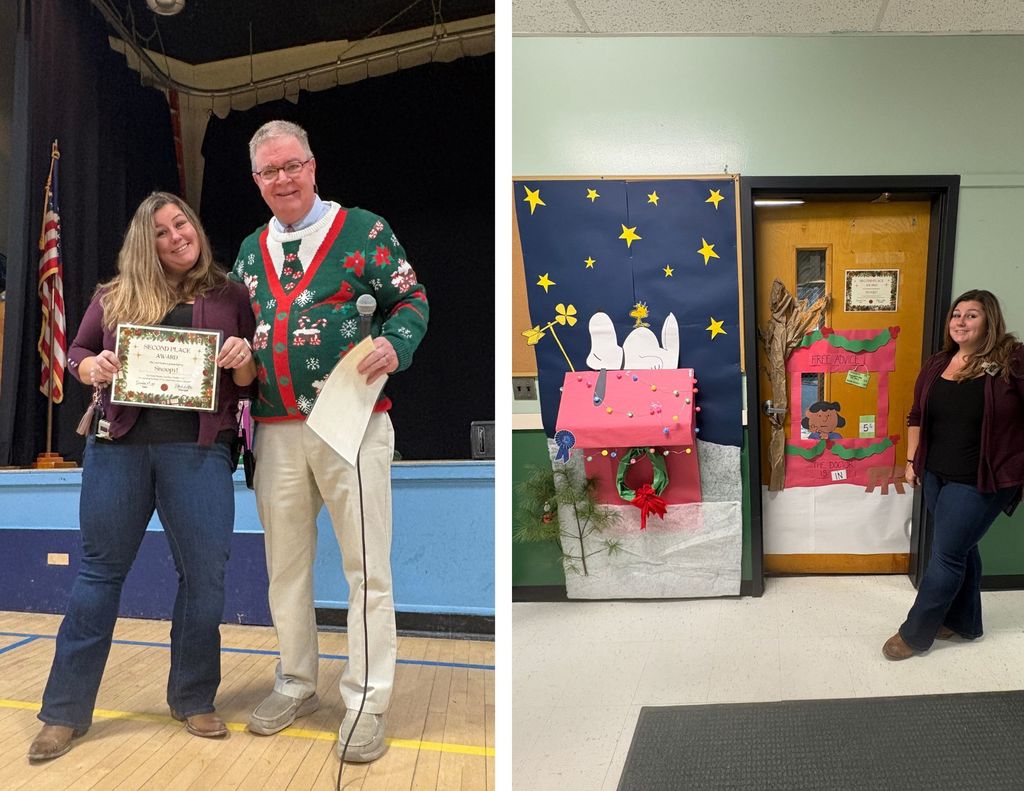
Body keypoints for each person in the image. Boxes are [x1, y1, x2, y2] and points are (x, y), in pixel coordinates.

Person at [28, 192, 257, 760]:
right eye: (161, 231)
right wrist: (89, 365)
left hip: (200, 455)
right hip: (118, 452)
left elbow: (251, 379)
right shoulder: (113, 295)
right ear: (144, 242)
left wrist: (242, 357)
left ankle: (194, 697)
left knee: (204, 579)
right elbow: (77, 351)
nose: (177, 235)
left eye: (182, 223)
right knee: (99, 576)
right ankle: (64, 712)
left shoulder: (230, 293)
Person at [233, 120, 428, 762]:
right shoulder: (246, 251)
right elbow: (240, 330)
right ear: (257, 181)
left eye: (292, 166)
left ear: (313, 166)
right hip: (275, 431)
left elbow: (411, 300)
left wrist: (394, 346)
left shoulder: (364, 231)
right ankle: (295, 682)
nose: (283, 179)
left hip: (352, 422)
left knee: (367, 569)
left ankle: (367, 699)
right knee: (284, 569)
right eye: (269, 172)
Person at [883, 289, 1024, 660]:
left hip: (982, 479)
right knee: (961, 547)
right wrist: (913, 463)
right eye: (956, 314)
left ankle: (916, 634)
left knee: (945, 554)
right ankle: (963, 622)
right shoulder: (937, 363)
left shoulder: (1013, 361)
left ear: (989, 320)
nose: (960, 321)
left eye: (971, 315)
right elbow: (916, 416)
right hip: (936, 473)